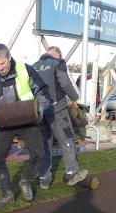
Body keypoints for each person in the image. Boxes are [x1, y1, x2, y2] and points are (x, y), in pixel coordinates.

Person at [0, 43, 51, 208]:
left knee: (39, 154)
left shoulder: (25, 70)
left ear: (9, 57)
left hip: (27, 121)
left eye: (2, 63)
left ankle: (25, 180)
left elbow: (43, 93)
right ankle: (7, 195)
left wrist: (39, 107)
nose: (0, 67)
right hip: (3, 125)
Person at [32, 45, 88, 189]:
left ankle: (44, 178)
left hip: (40, 112)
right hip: (58, 111)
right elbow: (65, 83)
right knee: (67, 140)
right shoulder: (58, 64)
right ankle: (71, 173)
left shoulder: (33, 66)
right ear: (58, 55)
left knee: (45, 144)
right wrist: (75, 98)